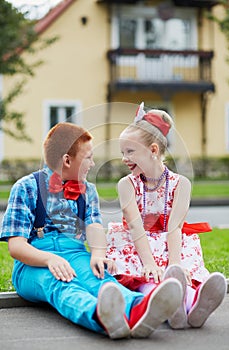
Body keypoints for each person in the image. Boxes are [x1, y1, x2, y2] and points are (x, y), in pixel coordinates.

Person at [0, 122, 183, 339]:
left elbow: (94, 225)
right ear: (67, 160)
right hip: (33, 263)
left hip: (75, 254)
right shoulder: (25, 187)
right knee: (61, 285)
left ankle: (139, 309)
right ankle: (100, 316)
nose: (93, 163)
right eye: (88, 158)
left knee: (101, 278)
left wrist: (97, 254)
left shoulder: (88, 190)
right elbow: (16, 247)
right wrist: (50, 259)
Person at [106, 102, 227, 329]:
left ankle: (192, 305)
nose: (124, 158)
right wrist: (150, 262)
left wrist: (175, 264)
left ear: (153, 150)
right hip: (138, 243)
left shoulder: (181, 184)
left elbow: (174, 227)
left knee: (179, 273)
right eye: (122, 152)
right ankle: (170, 304)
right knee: (146, 275)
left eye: (130, 151)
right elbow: (135, 226)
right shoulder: (127, 185)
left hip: (170, 242)